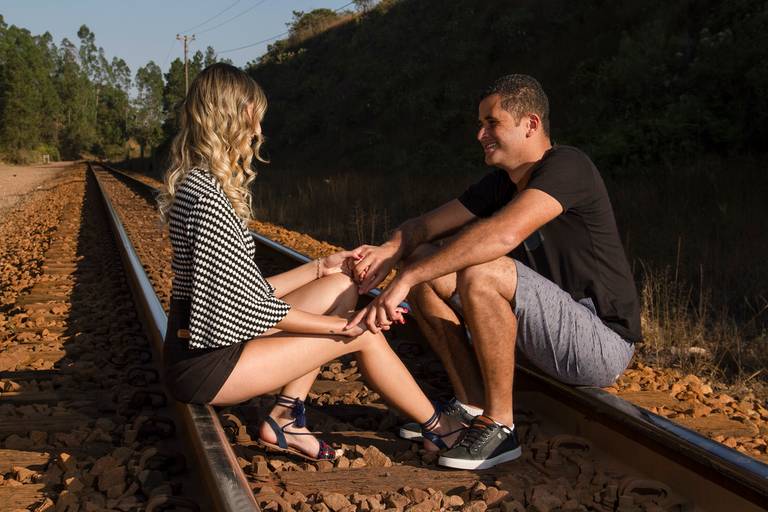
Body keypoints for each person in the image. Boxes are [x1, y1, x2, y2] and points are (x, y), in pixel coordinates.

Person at [157, 63, 463, 462]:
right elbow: (253, 309)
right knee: (365, 336)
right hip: (206, 365)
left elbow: (244, 292)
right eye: (254, 120)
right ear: (232, 120)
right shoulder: (207, 200)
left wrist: (321, 267)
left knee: (342, 284)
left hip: (205, 346)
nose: (257, 132)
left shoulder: (198, 186)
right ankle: (441, 429)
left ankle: (286, 417)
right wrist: (343, 328)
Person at [346, 74, 641, 470]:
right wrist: (389, 252)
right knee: (430, 261)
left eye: (492, 122)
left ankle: (501, 427)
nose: (480, 134)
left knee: (481, 269)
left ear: (530, 124)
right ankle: (470, 405)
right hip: (543, 329)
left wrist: (405, 279)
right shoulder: (503, 183)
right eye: (480, 124)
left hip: (600, 342)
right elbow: (424, 227)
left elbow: (503, 235)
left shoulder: (568, 165)